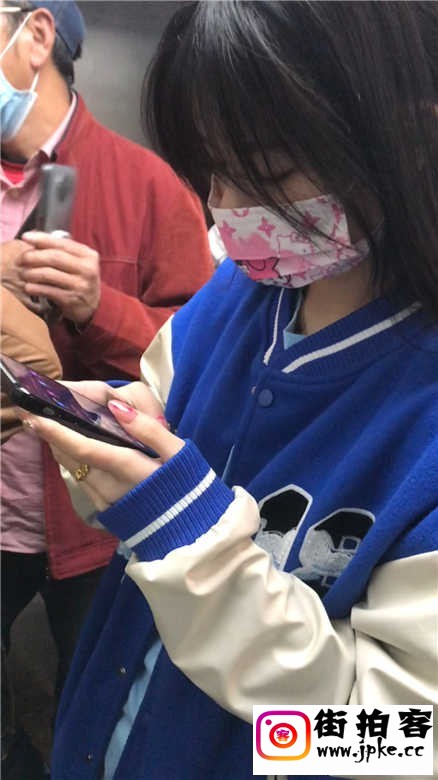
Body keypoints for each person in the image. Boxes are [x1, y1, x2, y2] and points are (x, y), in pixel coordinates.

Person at [17, 1, 437, 778]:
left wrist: (186, 539)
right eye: (209, 170)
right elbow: (150, 423)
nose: (226, 210)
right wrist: (107, 445)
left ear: (413, 138)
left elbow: (402, 742)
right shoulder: (232, 298)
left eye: (268, 176)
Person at [0, 0, 212, 696]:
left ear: (35, 36)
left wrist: (98, 309)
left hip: (100, 524)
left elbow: (205, 363)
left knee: (92, 699)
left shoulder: (151, 187)